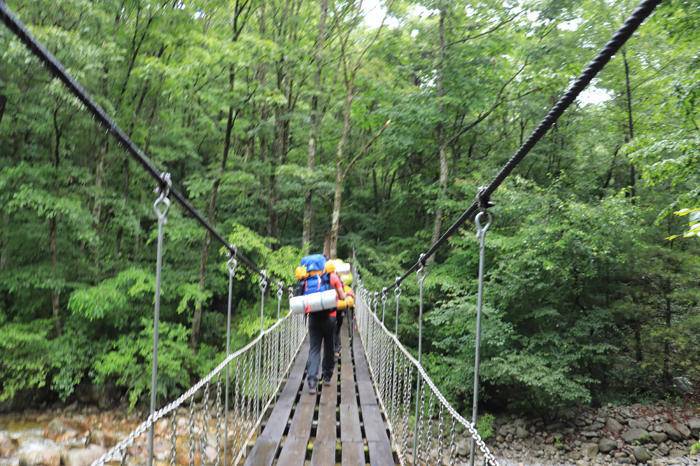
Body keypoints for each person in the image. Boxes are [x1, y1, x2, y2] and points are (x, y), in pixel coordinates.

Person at [298, 254, 345, 394]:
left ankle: (312, 381)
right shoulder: (331, 277)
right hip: (330, 317)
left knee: (314, 348)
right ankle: (327, 377)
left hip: (313, 317)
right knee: (329, 346)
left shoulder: (306, 278)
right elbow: (342, 296)